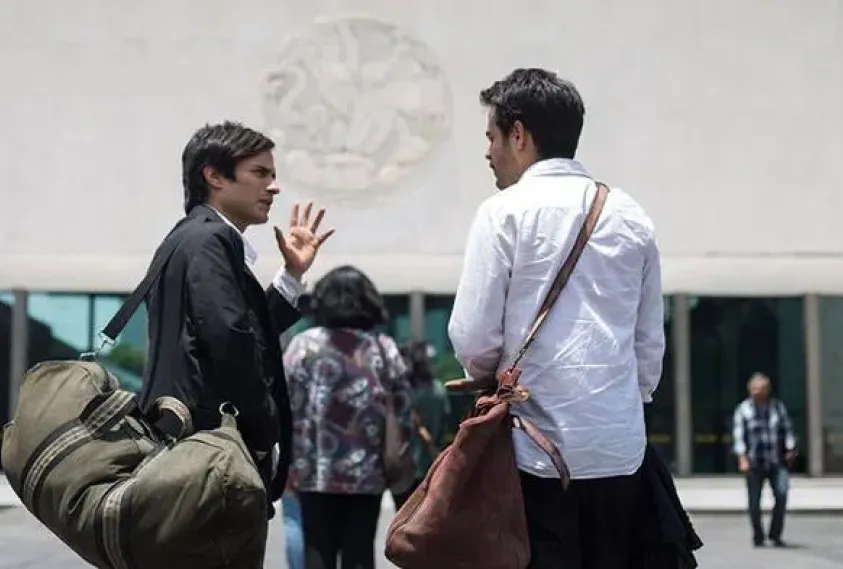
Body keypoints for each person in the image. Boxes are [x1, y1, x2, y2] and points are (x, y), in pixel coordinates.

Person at [447, 68, 666, 569]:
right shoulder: (630, 213)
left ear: (518, 134)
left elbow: (472, 335)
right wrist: (625, 402)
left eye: (491, 136)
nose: (488, 152)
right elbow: (648, 342)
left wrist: (488, 375)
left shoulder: (503, 212)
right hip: (620, 449)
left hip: (532, 452)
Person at [137, 121, 334, 522]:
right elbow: (230, 340)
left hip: (187, 456)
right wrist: (264, 434)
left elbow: (241, 331)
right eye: (260, 173)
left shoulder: (188, 238)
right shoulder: (211, 240)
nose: (274, 187)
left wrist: (291, 276)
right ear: (213, 175)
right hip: (208, 459)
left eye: (273, 175)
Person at [284, 265, 412, 569]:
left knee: (317, 550)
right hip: (367, 475)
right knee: (359, 554)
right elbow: (404, 410)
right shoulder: (383, 348)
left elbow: (282, 405)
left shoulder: (303, 345)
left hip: (314, 471)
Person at [732, 372, 797, 547]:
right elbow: (739, 436)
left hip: (776, 461)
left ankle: (775, 534)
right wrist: (742, 458)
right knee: (754, 502)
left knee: (782, 495)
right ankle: (758, 535)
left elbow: (787, 429)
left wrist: (790, 448)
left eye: (760, 389)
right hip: (754, 462)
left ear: (767, 390)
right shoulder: (743, 410)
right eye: (753, 389)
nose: (756, 392)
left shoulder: (777, 408)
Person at [391, 340, 451, 509]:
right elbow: (445, 424)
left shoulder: (403, 393)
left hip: (405, 467)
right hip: (431, 465)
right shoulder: (439, 390)